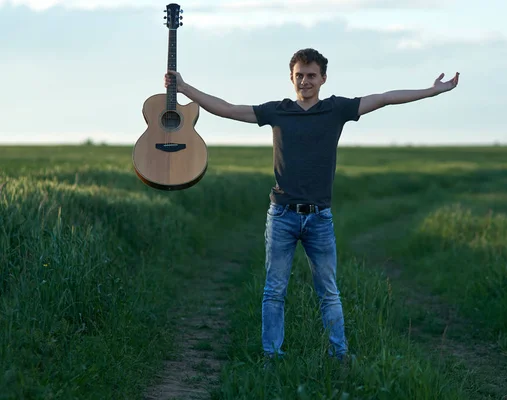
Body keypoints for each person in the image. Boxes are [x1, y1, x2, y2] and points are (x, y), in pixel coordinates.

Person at [164, 48, 459, 361]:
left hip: (319, 218)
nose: (305, 81)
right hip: (281, 216)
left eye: (311, 76)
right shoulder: (277, 111)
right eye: (299, 76)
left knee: (328, 292)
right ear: (291, 78)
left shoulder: (336, 109)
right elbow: (227, 109)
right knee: (274, 291)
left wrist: (431, 91)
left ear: (323, 78)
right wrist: (184, 88)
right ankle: (272, 357)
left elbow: (384, 97)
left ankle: (339, 354)